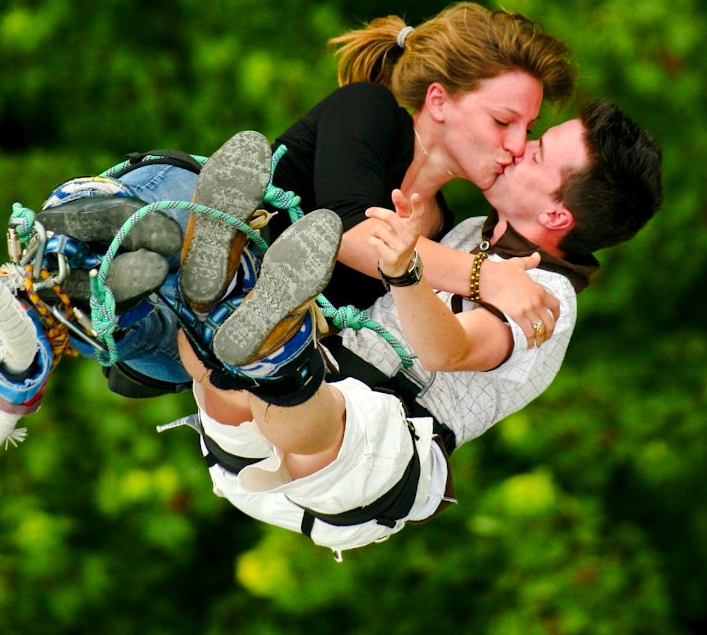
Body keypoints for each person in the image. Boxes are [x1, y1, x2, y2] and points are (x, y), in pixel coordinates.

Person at [10, 2, 579, 396]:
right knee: (188, 220)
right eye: (505, 120)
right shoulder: (370, 112)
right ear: (439, 101)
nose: (516, 145)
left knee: (212, 340)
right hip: (183, 200)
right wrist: (487, 278)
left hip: (214, 329)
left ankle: (116, 300)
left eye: (526, 128)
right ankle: (108, 244)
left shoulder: (437, 228)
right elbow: (353, 235)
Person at [172, 99, 663, 554]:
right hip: (279, 423)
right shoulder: (469, 231)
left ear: (557, 213)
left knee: (315, 411)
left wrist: (406, 272)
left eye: (536, 154)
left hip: (375, 453)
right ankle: (210, 301)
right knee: (215, 364)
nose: (517, 149)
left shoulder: (549, 296)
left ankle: (264, 347)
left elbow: (447, 352)